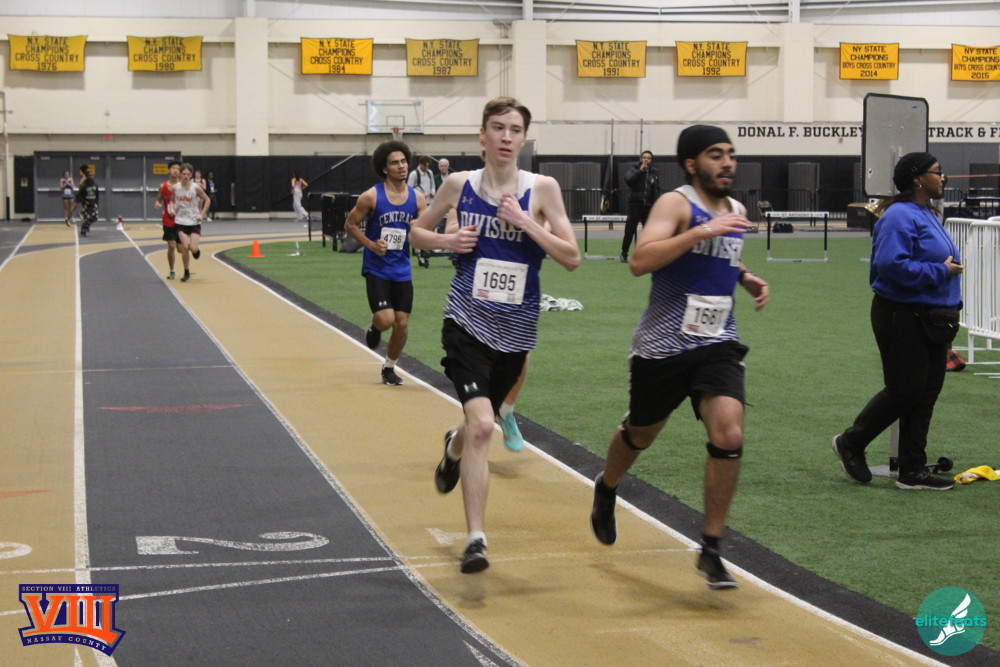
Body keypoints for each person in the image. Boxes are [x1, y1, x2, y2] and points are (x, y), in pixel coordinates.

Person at [589, 125, 769, 590]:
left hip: (717, 341)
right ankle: (607, 486)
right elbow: (641, 260)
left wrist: (744, 276)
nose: (727, 163)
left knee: (729, 432)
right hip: (663, 345)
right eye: (716, 155)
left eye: (731, 154)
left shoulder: (736, 210)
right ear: (692, 164)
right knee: (641, 433)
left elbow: (721, 255)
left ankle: (711, 548)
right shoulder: (675, 203)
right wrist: (702, 230)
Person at [410, 96, 580, 574]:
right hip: (466, 321)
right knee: (485, 425)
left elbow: (571, 256)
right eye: (498, 128)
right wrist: (446, 241)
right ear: (482, 136)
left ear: (523, 139)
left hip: (516, 331)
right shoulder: (458, 185)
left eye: (515, 129)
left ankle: (454, 445)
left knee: (477, 425)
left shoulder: (541, 189)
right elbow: (416, 233)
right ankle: (476, 540)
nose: (506, 137)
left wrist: (526, 223)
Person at [832, 152, 962, 491]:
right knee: (905, 391)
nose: (943, 177)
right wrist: (941, 271)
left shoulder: (926, 213)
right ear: (918, 178)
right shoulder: (899, 215)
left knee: (926, 393)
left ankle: (912, 470)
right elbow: (891, 267)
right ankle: (851, 442)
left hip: (932, 317)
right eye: (937, 171)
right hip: (901, 315)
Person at [344, 140, 427, 386]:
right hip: (377, 268)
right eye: (395, 163)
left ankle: (389, 367)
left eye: (403, 161)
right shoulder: (371, 196)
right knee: (386, 320)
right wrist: (370, 245)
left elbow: (425, 229)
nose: (401, 166)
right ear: (384, 168)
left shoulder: (418, 199)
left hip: (402, 269)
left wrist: (419, 228)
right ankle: (375, 326)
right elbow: (350, 225)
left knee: (402, 324)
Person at [172, 163, 210, 283]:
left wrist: (201, 214)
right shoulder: (176, 188)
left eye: (188, 174)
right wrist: (172, 209)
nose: (186, 176)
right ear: (180, 174)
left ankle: (196, 251)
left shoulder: (196, 187)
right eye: (184, 174)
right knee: (185, 247)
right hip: (180, 221)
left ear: (191, 175)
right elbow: (172, 201)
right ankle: (186, 271)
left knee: (193, 248)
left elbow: (207, 199)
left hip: (194, 221)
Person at [620, 150, 660, 262]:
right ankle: (624, 253)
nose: (646, 160)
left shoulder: (654, 173)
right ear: (641, 159)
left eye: (648, 158)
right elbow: (628, 180)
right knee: (630, 230)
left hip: (648, 206)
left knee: (648, 231)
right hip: (635, 205)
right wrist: (640, 171)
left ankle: (647, 254)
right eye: (644, 157)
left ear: (651, 160)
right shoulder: (634, 170)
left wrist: (656, 204)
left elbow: (656, 189)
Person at [154, 160, 182, 279]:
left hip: (181, 220)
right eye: (173, 168)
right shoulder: (163, 186)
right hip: (168, 220)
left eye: (178, 169)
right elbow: (158, 199)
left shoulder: (183, 186)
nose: (176, 170)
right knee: (171, 245)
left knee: (180, 249)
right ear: (168, 170)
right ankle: (172, 270)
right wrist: (157, 203)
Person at [76, 165, 99, 237]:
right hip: (86, 204)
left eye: (92, 175)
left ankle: (86, 224)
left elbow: (97, 194)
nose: (91, 177)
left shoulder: (95, 185)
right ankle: (83, 230)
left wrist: (97, 203)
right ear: (87, 177)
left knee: (95, 216)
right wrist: (84, 201)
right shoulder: (84, 186)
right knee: (86, 218)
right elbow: (79, 195)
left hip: (93, 203)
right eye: (90, 176)